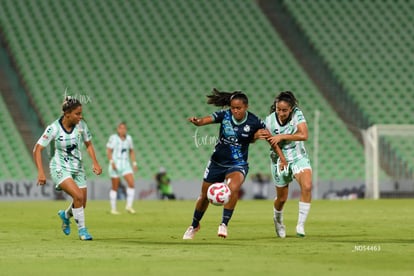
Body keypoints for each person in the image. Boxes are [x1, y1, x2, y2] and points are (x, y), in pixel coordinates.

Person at [183, 88, 270, 239]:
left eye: (239, 108)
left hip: (238, 163)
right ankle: (194, 225)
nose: (235, 111)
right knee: (204, 196)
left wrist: (256, 136)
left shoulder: (254, 121)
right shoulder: (225, 116)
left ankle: (224, 224)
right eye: (233, 108)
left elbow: (266, 135)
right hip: (217, 162)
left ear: (246, 107)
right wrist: (198, 122)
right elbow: (206, 120)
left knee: (233, 188)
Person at [33, 96, 102, 241]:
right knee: (78, 196)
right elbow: (37, 149)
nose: (80, 116)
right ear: (67, 114)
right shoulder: (54, 128)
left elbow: (88, 144)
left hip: (78, 168)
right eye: (77, 114)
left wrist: (95, 162)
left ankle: (65, 215)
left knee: (81, 203)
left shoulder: (81, 126)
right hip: (60, 167)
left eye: (81, 113)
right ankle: (83, 231)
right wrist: (41, 172)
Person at [265, 91, 312, 238]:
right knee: (282, 198)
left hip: (298, 157)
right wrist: (282, 159)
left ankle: (300, 225)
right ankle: (278, 221)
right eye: (278, 109)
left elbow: (304, 135)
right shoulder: (270, 121)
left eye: (284, 110)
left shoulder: (297, 114)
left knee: (307, 186)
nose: (281, 113)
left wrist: (283, 136)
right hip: (279, 159)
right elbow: (272, 142)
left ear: (291, 108)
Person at [106, 122, 138, 214]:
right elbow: (108, 151)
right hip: (116, 164)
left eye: (124, 128)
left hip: (126, 164)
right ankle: (113, 209)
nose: (122, 130)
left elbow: (131, 151)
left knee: (131, 183)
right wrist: (111, 162)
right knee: (115, 187)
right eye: (121, 128)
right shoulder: (113, 138)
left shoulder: (129, 138)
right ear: (118, 129)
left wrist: (134, 163)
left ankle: (129, 206)